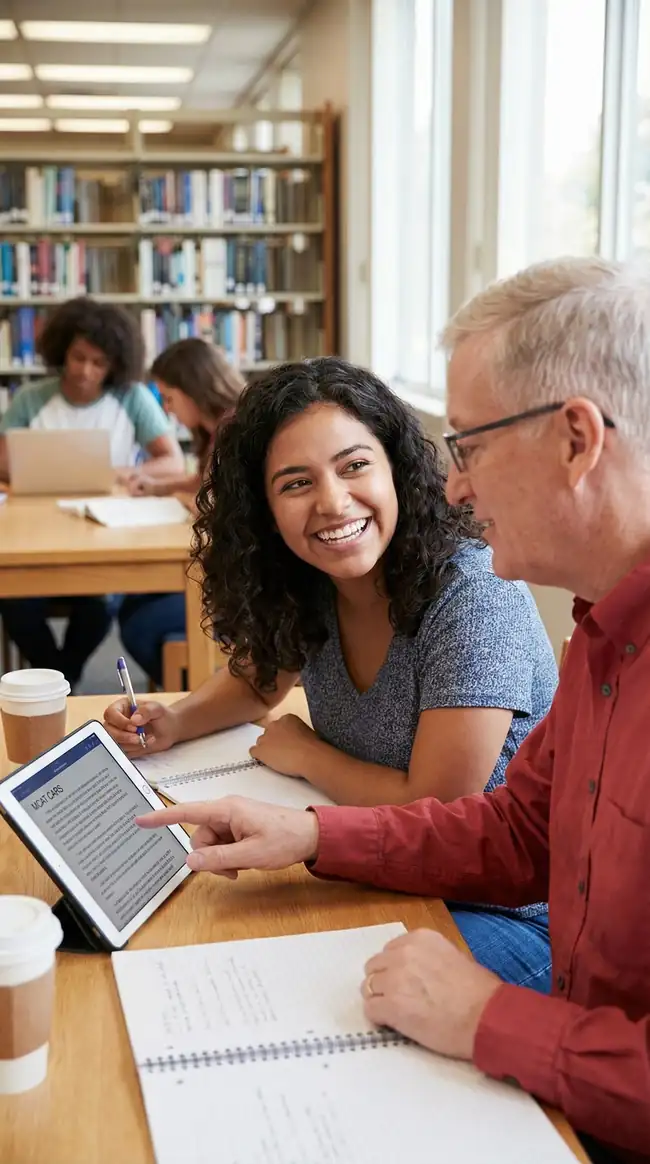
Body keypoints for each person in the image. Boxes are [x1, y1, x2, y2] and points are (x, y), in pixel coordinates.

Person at [134, 259, 650, 1164]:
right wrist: (309, 838)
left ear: (576, 439)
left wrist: (496, 1018)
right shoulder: (605, 631)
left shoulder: (485, 594)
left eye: (471, 446)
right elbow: (519, 834)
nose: (453, 487)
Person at [105, 356, 557, 989]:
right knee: (204, 935)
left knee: (290, 982)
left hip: (504, 912)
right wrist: (174, 720)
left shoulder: (473, 595)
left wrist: (310, 755)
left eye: (354, 466)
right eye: (296, 483)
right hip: (378, 866)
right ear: (264, 510)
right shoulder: (316, 577)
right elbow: (259, 680)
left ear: (395, 467)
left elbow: (438, 810)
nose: (333, 501)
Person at [0, 296, 183, 688]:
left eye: (98, 363)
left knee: (99, 603)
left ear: (114, 366)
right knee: (16, 603)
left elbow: (171, 463)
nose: (85, 371)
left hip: (104, 530)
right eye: (78, 357)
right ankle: (63, 676)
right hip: (34, 531)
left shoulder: (132, 398)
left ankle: (60, 680)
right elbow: (2, 461)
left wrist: (119, 472)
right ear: (62, 351)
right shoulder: (31, 398)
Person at [117, 338, 245, 687]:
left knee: (141, 625)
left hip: (241, 583)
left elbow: (225, 502)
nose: (168, 410)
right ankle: (191, 689)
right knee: (134, 604)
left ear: (194, 389)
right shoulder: (215, 428)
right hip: (221, 569)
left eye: (170, 398)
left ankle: (198, 693)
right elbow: (201, 481)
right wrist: (159, 488)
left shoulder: (240, 428)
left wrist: (205, 505)